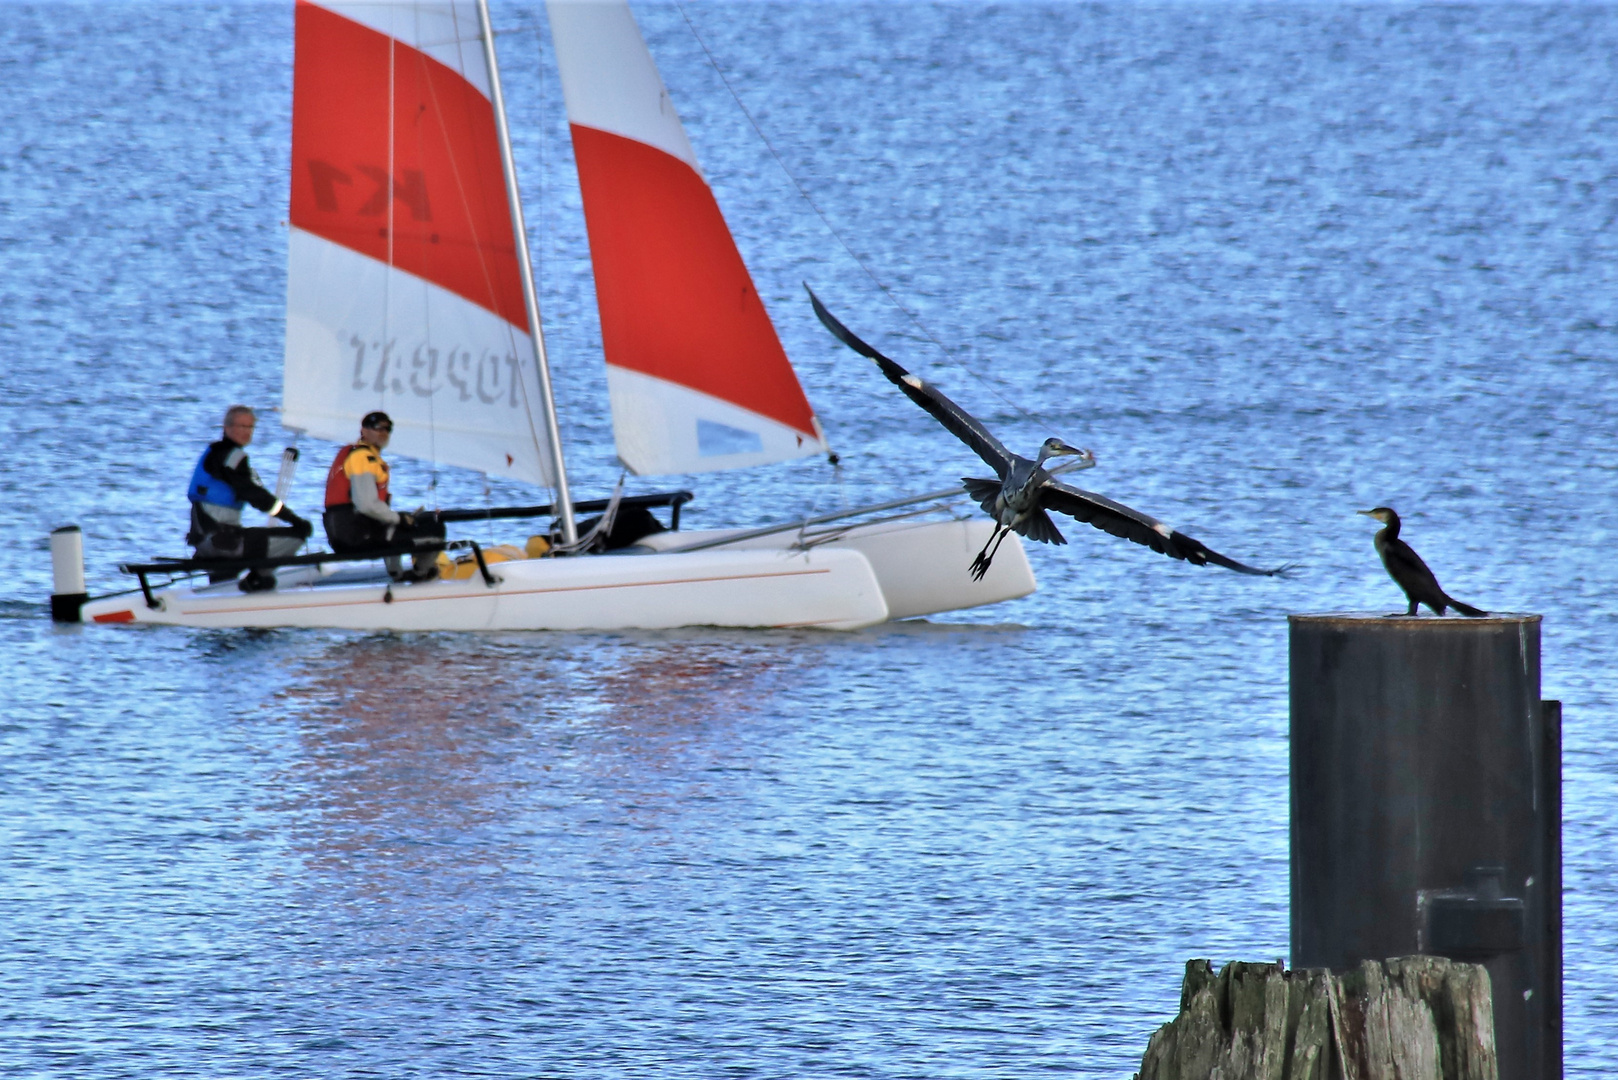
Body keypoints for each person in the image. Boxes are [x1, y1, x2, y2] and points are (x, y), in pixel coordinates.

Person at [187, 405, 312, 591]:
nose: (247, 432)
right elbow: (255, 495)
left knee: (241, 546)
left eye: (250, 427)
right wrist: (295, 520)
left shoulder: (214, 453)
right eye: (242, 426)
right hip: (223, 544)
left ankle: (222, 591)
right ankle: (258, 580)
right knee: (298, 534)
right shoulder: (233, 457)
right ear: (227, 428)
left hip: (205, 543)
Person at [323, 411, 444, 581]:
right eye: (377, 428)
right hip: (355, 536)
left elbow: (374, 510)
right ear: (363, 431)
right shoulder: (362, 457)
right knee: (436, 530)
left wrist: (401, 519)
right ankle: (421, 574)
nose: (383, 432)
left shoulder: (360, 454)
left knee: (416, 522)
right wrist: (399, 519)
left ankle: (398, 574)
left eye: (387, 429)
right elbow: (366, 504)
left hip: (351, 533)